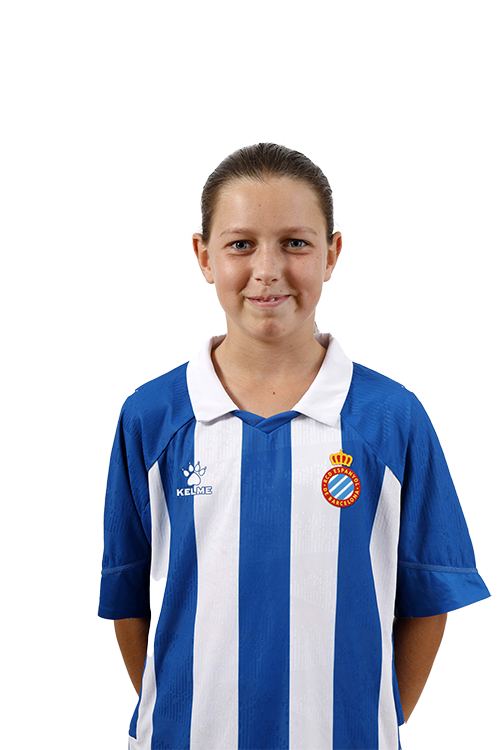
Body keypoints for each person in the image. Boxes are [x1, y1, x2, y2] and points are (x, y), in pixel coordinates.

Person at [98, 142, 490, 749]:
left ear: (333, 252)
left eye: (295, 243)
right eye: (241, 244)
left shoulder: (391, 418)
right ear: (202, 255)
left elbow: (429, 598)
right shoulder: (152, 416)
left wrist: (372, 722)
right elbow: (125, 599)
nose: (267, 269)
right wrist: (178, 708)